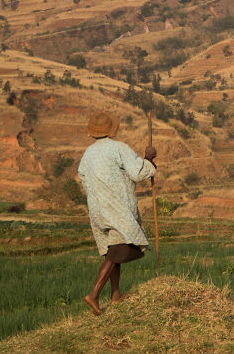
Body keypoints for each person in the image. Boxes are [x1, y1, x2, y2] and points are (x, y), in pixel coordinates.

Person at [77, 110, 157, 315]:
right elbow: (138, 173)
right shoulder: (119, 148)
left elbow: (83, 178)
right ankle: (93, 295)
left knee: (114, 246)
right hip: (115, 207)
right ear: (111, 129)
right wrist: (148, 158)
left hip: (97, 208)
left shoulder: (88, 154)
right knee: (118, 249)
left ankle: (115, 295)